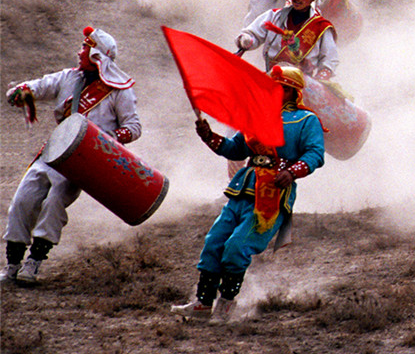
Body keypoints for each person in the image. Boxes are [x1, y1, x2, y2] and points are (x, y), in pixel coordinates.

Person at [173, 65, 325, 322]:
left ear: (291, 91)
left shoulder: (306, 120)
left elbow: (315, 153)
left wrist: (293, 172)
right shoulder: (257, 117)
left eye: (278, 87)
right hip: (242, 190)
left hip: (272, 195)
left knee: (236, 247)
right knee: (213, 243)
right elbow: (235, 149)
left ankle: (226, 305)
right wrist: (210, 137)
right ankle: (202, 304)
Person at [2, 27, 140, 285]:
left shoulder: (120, 90)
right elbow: (41, 85)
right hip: (54, 152)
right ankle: (11, 265)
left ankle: (33, 263)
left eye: (84, 49)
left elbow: (133, 128)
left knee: (54, 204)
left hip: (84, 162)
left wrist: (107, 139)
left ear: (97, 55)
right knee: (22, 200)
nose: (79, 53)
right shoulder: (69, 77)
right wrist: (23, 91)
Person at [237, 0, 338, 79]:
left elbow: (330, 60)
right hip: (273, 76)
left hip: (302, 83)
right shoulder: (274, 16)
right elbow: (253, 34)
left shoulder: (321, 26)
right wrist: (246, 40)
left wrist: (321, 78)